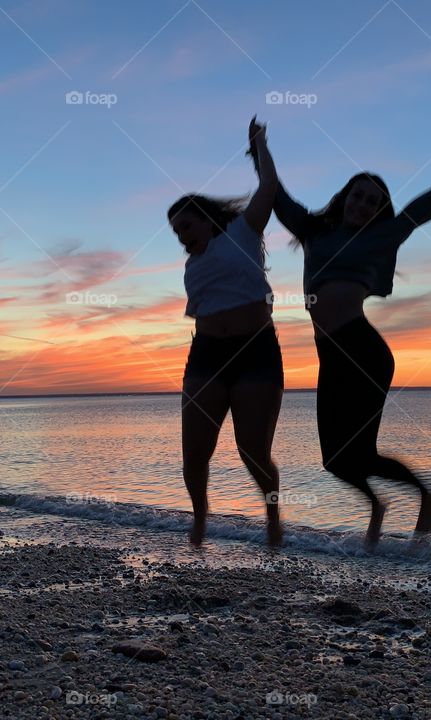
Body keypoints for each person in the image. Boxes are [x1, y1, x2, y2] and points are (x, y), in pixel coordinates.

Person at [255, 135, 431, 549]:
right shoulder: (313, 231)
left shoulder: (386, 235)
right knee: (334, 459)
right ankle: (377, 507)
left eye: (372, 201)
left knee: (362, 452)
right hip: (331, 357)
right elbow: (276, 193)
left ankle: (426, 495)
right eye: (358, 196)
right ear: (344, 196)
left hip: (364, 352)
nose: (363, 205)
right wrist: (259, 147)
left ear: (378, 210)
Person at [168, 117, 283, 547]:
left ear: (206, 219)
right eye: (176, 231)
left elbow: (269, 187)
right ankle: (200, 516)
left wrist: (259, 147)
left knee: (252, 450)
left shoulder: (243, 230)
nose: (182, 236)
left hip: (256, 352)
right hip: (208, 355)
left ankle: (272, 514)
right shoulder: (192, 266)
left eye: (186, 226)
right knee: (194, 453)